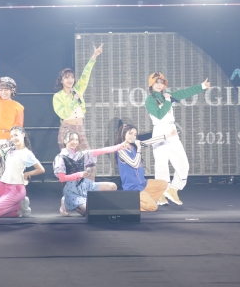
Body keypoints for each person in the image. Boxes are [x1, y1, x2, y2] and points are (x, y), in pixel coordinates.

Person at [145, 72, 212, 205]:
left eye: (161, 82)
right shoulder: (150, 100)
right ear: (151, 84)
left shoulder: (167, 95)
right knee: (161, 164)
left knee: (183, 163)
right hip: (160, 131)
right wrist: (168, 100)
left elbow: (183, 93)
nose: (159, 85)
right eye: (156, 82)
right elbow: (159, 114)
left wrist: (202, 86)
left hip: (172, 130)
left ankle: (173, 189)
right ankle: (160, 193)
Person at [52, 43, 103, 182]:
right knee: (69, 162)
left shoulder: (78, 89)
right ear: (61, 80)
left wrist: (94, 56)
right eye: (66, 77)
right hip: (67, 129)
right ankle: (70, 190)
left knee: (89, 159)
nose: (70, 80)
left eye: (72, 77)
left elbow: (86, 74)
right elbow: (63, 113)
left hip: (80, 128)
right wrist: (74, 101)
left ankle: (88, 187)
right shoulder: (58, 96)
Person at [54, 130, 128, 216]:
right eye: (71, 139)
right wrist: (79, 174)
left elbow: (101, 151)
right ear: (65, 140)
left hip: (85, 185)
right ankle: (67, 201)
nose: (74, 142)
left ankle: (82, 203)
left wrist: (120, 146)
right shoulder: (60, 158)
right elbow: (62, 178)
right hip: (71, 189)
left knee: (113, 186)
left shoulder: (81, 155)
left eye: (76, 140)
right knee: (90, 212)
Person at [0, 49, 24, 182]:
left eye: (6, 89)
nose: (3, 92)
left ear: (12, 90)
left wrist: (17, 144)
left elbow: (19, 128)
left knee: (9, 173)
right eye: (1, 89)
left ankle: (10, 195)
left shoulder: (18, 107)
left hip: (9, 142)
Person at [115, 124, 173, 212]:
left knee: (163, 184)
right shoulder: (120, 150)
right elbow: (134, 164)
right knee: (153, 207)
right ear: (123, 134)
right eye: (130, 133)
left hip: (143, 184)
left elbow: (150, 141)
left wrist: (167, 135)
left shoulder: (133, 146)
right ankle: (128, 203)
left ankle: (140, 200)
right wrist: (139, 149)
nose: (133, 136)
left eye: (135, 134)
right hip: (132, 188)